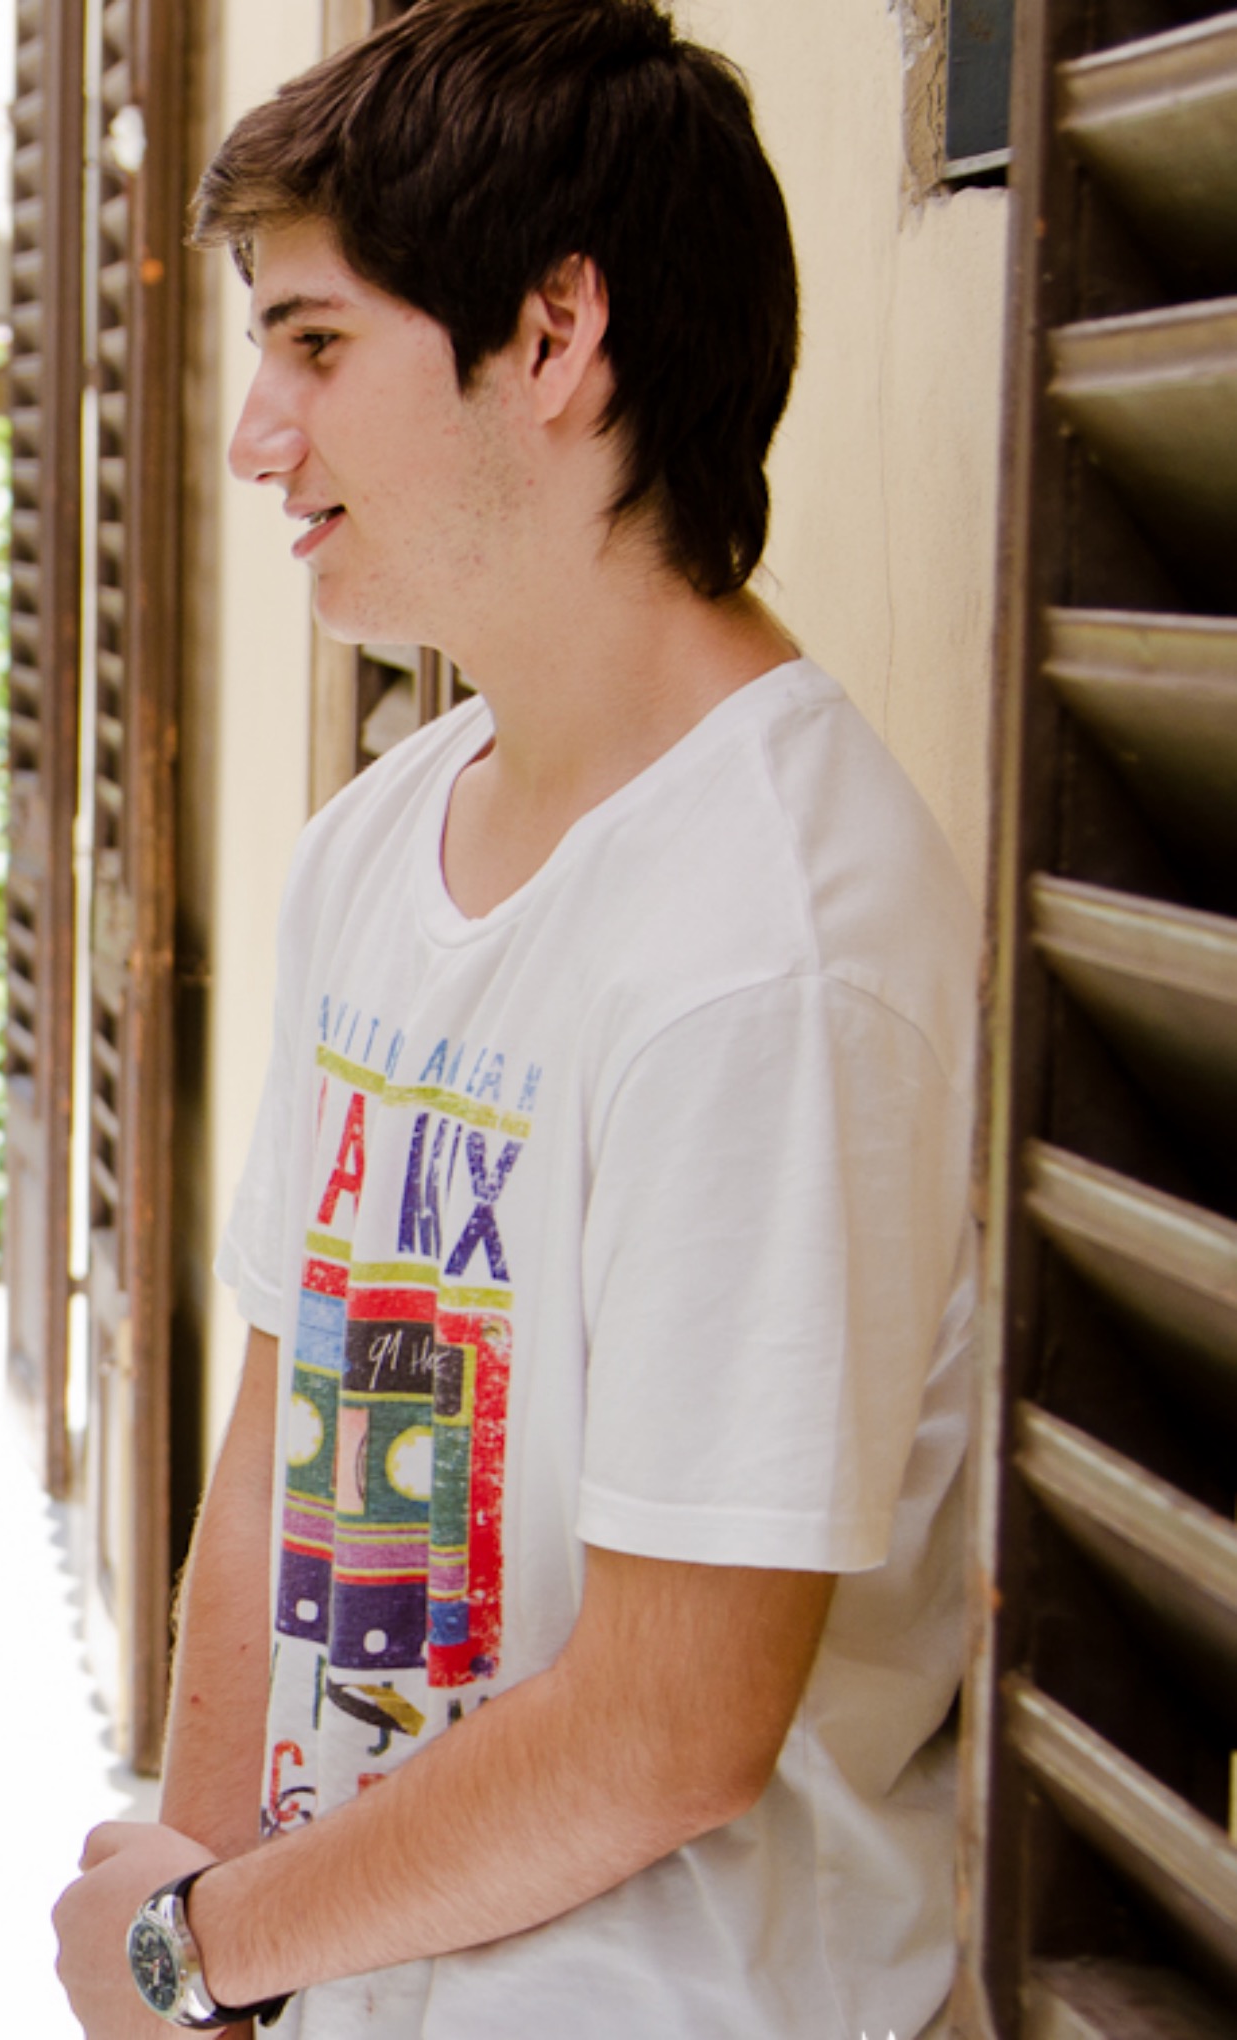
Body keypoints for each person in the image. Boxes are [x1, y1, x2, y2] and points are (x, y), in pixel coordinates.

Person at [50, 3, 974, 2034]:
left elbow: (669, 1729)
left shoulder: (771, 943)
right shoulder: (379, 843)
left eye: (312, 345)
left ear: (551, 337)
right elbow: (277, 1441)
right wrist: (209, 1953)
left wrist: (185, 1947)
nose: (255, 436)